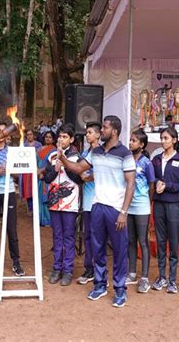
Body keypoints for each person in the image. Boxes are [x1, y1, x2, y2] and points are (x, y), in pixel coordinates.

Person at [58, 116, 136, 307]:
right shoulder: (97, 152)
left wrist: (124, 212)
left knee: (119, 250)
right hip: (98, 206)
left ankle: (119, 290)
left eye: (105, 128)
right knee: (98, 248)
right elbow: (78, 168)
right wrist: (62, 158)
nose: (102, 131)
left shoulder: (125, 153)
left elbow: (131, 184)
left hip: (116, 209)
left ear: (114, 131)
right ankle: (100, 285)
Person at [151, 127, 179, 293]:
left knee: (173, 241)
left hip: (173, 204)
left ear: (174, 140)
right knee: (160, 240)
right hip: (158, 203)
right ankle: (161, 276)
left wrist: (168, 186)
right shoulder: (157, 159)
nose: (163, 141)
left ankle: (172, 279)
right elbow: (152, 178)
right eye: (162, 138)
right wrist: (157, 184)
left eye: (166, 138)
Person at [44, 124, 82, 286]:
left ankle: (68, 270)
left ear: (72, 139)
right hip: (54, 202)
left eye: (65, 136)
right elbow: (46, 178)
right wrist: (54, 169)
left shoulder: (76, 157)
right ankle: (56, 268)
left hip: (70, 203)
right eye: (60, 136)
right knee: (56, 236)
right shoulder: (52, 156)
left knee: (68, 237)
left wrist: (65, 165)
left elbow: (79, 179)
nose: (61, 139)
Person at [0, 122, 24, 276]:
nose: (1, 134)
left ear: (7, 135)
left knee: (11, 229)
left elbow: (18, 173)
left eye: (4, 131)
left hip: (8, 192)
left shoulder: (12, 152)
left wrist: (10, 171)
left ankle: (16, 262)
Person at [125, 130, 155, 293]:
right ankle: (131, 273)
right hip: (129, 205)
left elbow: (151, 184)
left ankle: (144, 278)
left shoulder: (146, 163)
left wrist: (146, 201)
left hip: (142, 205)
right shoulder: (127, 160)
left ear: (142, 145)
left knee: (142, 241)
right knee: (130, 240)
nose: (130, 143)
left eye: (134, 141)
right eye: (130, 140)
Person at [76, 122, 101, 285]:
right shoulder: (85, 153)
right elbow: (79, 170)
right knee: (87, 236)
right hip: (86, 200)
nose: (87, 135)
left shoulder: (101, 152)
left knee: (97, 237)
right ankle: (89, 268)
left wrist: (90, 177)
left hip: (98, 199)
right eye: (86, 132)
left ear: (98, 135)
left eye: (90, 132)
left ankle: (99, 269)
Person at [37, 131, 56, 227]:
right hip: (38, 177)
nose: (48, 139)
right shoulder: (39, 149)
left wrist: (42, 172)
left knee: (47, 198)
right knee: (39, 198)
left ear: (53, 139)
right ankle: (40, 220)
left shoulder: (54, 151)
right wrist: (37, 171)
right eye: (46, 137)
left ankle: (48, 221)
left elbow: (51, 164)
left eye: (50, 137)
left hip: (48, 177)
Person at [21, 129, 42, 215]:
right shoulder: (24, 145)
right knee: (27, 189)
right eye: (28, 135)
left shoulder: (38, 145)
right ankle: (30, 209)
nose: (29, 136)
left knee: (35, 188)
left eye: (31, 134)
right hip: (26, 170)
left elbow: (40, 157)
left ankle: (36, 208)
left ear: (34, 135)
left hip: (36, 169)